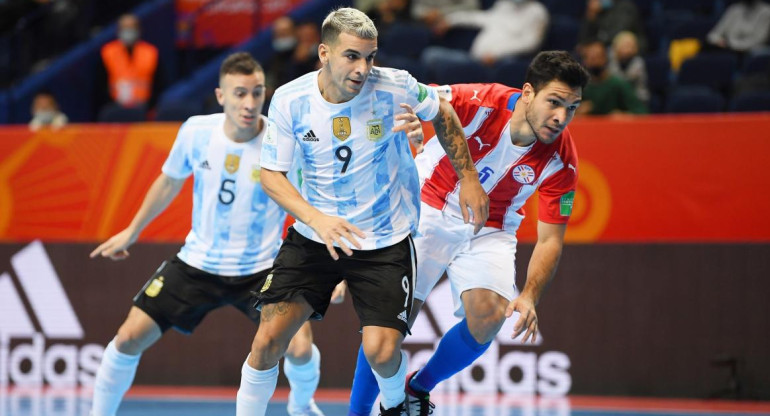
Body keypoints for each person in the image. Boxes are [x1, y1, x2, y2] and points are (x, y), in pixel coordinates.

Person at [234, 7, 488, 416]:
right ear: (324, 53)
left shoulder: (395, 86)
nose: (363, 67)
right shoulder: (290, 99)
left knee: (382, 352)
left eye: (370, 57)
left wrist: (469, 178)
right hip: (316, 238)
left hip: (385, 238)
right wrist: (317, 219)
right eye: (352, 56)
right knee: (267, 342)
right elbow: (271, 176)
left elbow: (442, 110)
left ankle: (395, 406)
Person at [88, 52, 343, 416]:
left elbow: (313, 202)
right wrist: (132, 231)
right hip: (198, 263)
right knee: (127, 338)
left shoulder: (281, 138)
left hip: (263, 269)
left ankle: (301, 405)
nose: (249, 103)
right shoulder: (195, 130)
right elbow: (169, 180)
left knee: (300, 349)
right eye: (239, 93)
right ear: (221, 96)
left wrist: (326, 267)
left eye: (257, 93)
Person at [348, 50, 590, 416]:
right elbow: (417, 97)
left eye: (571, 108)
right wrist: (412, 120)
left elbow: (550, 238)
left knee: (490, 317)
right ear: (528, 93)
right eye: (554, 102)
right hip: (427, 208)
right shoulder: (481, 101)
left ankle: (418, 388)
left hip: (492, 228)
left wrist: (528, 296)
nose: (561, 117)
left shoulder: (563, 159)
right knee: (386, 334)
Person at [421, 0, 549, 70]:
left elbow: (530, 43)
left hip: (499, 64)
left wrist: (496, 54)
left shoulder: (538, 12)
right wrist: (451, 20)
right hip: (473, 58)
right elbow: (480, 18)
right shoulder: (504, 4)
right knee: (431, 55)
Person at [96, 13, 161, 114]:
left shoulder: (150, 52)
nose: (128, 31)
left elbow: (159, 84)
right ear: (118, 30)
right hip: (115, 109)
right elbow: (99, 85)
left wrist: (150, 106)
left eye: (131, 27)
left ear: (138, 29)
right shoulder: (107, 52)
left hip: (144, 110)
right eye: (125, 28)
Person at [577, 40, 647, 115]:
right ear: (584, 61)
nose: (595, 62)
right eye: (591, 58)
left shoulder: (618, 84)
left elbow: (641, 113)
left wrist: (624, 115)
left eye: (598, 57)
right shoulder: (579, 87)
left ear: (606, 58)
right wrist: (577, 112)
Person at [578, 0, 647, 53]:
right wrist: (591, 16)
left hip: (628, 49)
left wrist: (598, 45)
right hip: (604, 49)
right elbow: (584, 39)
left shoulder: (626, 7)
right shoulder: (596, 11)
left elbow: (618, 34)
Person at [706, 0, 770, 53]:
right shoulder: (734, 9)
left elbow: (759, 40)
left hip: (750, 52)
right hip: (729, 50)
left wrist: (732, 45)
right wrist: (718, 40)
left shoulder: (767, 11)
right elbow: (713, 35)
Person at [608, 31, 649, 104]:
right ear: (616, 47)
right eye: (625, 46)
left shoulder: (639, 63)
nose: (628, 50)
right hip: (614, 100)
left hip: (635, 98)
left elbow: (641, 90)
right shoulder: (609, 63)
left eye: (631, 46)